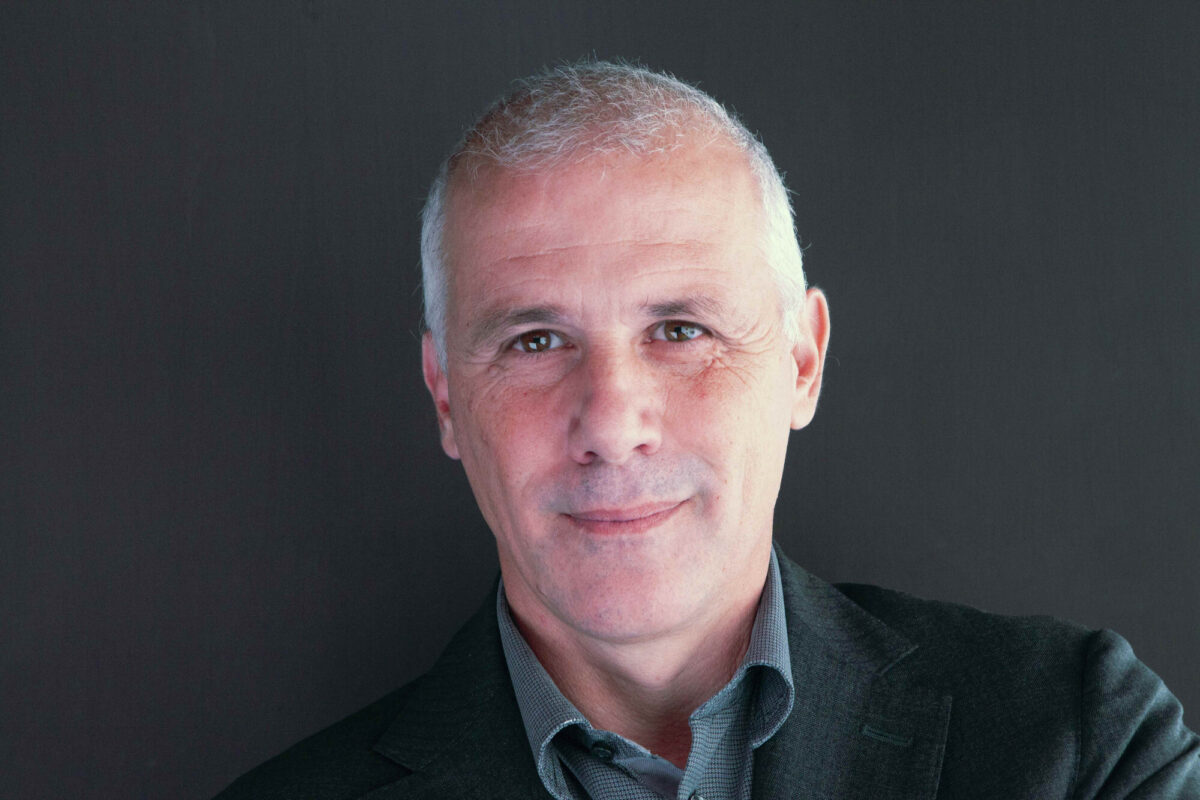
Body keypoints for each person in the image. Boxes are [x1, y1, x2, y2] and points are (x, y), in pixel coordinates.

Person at [215, 61, 1198, 800]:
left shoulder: (1078, 743)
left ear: (802, 361)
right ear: (444, 397)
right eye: (535, 340)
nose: (612, 423)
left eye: (681, 330)